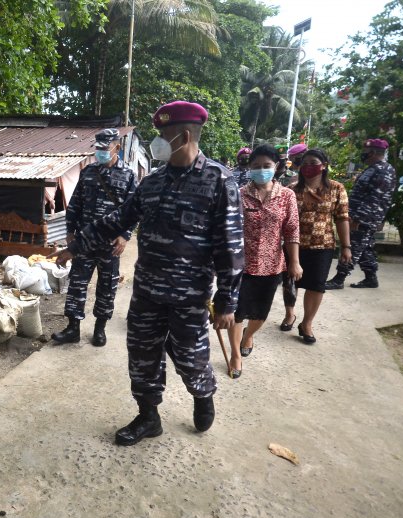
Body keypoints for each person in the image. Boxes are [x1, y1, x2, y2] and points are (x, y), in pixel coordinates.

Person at [50, 101, 243, 443]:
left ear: (184, 136)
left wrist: (227, 302)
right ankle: (148, 416)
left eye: (163, 136)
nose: (157, 143)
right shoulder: (152, 182)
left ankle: (202, 392)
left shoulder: (219, 181)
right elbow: (117, 220)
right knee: (142, 356)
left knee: (190, 357)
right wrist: (73, 247)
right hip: (147, 293)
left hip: (188, 296)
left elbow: (230, 247)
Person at [51, 128, 137, 346]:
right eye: (97, 148)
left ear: (116, 147)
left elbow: (133, 210)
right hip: (85, 242)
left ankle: (100, 329)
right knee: (77, 284)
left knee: (107, 286)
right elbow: (75, 204)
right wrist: (70, 232)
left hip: (110, 244)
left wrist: (125, 235)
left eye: (104, 148)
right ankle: (73, 328)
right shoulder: (88, 171)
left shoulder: (128, 175)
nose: (100, 152)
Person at [226, 145, 301, 378]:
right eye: (256, 166)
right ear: (249, 168)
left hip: (271, 265)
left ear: (276, 166)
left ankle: (248, 336)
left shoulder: (287, 196)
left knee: (260, 314)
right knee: (236, 312)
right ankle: (235, 356)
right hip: (241, 264)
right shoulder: (239, 194)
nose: (261, 170)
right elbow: (228, 229)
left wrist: (295, 262)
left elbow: (291, 231)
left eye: (266, 166)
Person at [284, 148, 351, 343]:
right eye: (304, 163)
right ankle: (290, 314)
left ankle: (307, 324)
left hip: (322, 246)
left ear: (324, 166)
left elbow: (342, 218)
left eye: (313, 162)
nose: (308, 167)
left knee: (316, 286)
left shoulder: (337, 189)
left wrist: (346, 246)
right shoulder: (292, 190)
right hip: (292, 244)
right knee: (289, 283)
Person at [326, 138, 396, 290]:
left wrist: (358, 218)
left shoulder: (383, 170)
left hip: (364, 218)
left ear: (373, 153)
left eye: (365, 152)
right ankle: (371, 278)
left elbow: (375, 198)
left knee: (353, 246)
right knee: (365, 247)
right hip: (360, 215)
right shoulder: (373, 168)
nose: (363, 155)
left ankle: (339, 279)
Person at [277, 142, 307, 329]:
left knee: (309, 281)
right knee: (289, 278)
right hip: (288, 237)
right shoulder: (288, 181)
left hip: (313, 239)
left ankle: (307, 321)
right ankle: (290, 314)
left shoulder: (325, 183)